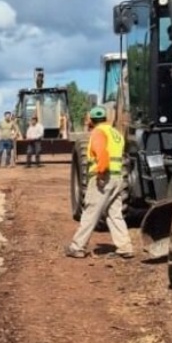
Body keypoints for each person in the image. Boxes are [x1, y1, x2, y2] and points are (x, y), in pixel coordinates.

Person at [65, 105, 134, 259]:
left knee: (90, 212)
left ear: (91, 120)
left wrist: (101, 174)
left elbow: (102, 154)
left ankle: (77, 247)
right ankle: (125, 247)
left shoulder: (98, 133)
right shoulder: (115, 133)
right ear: (105, 118)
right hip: (117, 178)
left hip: (104, 178)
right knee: (114, 214)